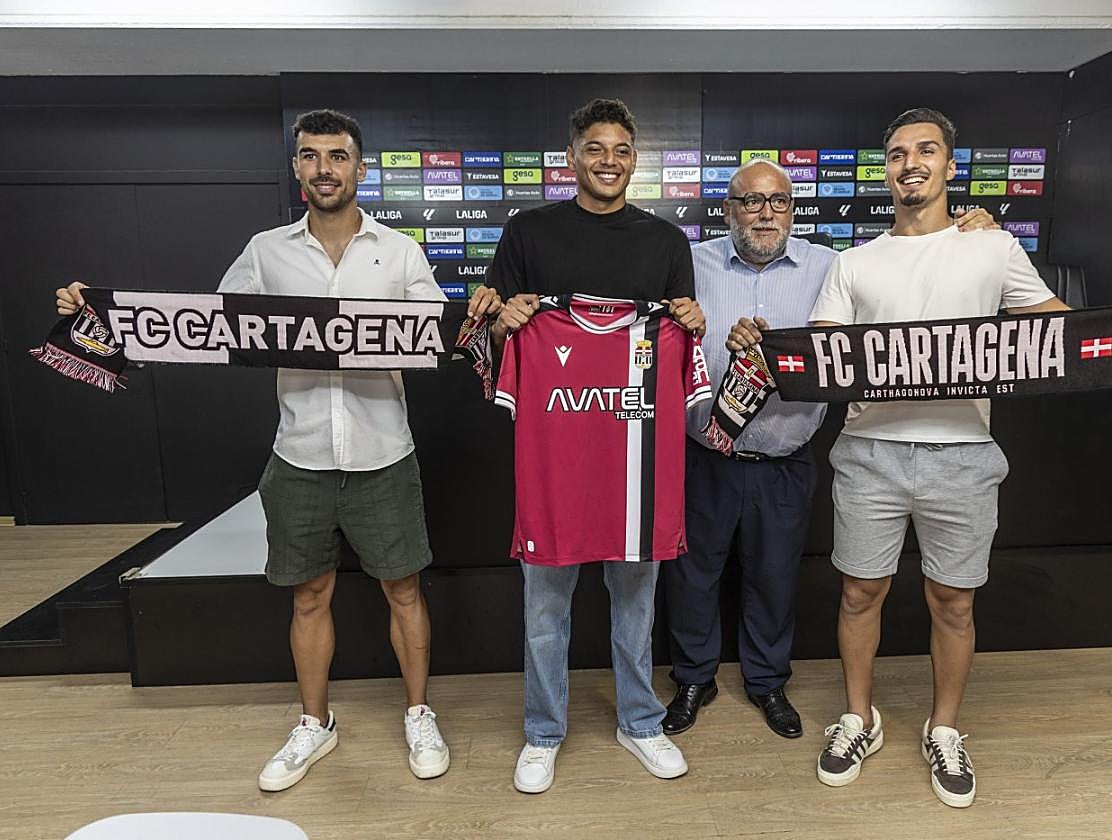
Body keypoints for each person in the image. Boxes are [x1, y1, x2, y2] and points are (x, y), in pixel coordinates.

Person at [807, 106, 1112, 808]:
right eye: (897, 153)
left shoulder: (993, 248)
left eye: (926, 150)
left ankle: (944, 728)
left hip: (963, 454)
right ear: (885, 170)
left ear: (950, 166)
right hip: (868, 451)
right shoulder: (852, 262)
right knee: (859, 592)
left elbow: (1064, 330)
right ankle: (857, 718)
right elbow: (821, 352)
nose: (910, 163)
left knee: (953, 601)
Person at [56, 109, 453, 791]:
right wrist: (102, 316)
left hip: (383, 452)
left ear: (360, 169)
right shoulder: (265, 251)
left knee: (404, 589)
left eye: (337, 156)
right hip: (298, 454)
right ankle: (314, 723)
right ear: (297, 169)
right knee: (308, 596)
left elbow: (432, 340)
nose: (324, 168)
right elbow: (205, 328)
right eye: (310, 156)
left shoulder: (402, 252)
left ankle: (419, 710)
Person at [661, 159, 999, 739]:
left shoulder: (832, 264)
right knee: (693, 576)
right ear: (727, 209)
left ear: (794, 209)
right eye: (750, 201)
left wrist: (973, 231)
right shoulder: (689, 264)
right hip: (702, 453)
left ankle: (767, 682)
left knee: (773, 576)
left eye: (778, 202)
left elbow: (902, 288)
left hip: (786, 455)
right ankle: (693, 678)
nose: (765, 213)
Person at [468, 97, 706, 794]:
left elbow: (679, 333)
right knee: (546, 605)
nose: (609, 160)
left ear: (636, 159)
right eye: (595, 148)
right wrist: (506, 320)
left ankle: (640, 721)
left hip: (636, 469)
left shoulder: (665, 244)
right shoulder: (528, 232)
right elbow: (493, 337)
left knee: (636, 602)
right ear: (572, 157)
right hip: (557, 467)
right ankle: (543, 733)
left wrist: (689, 320)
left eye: (622, 150)